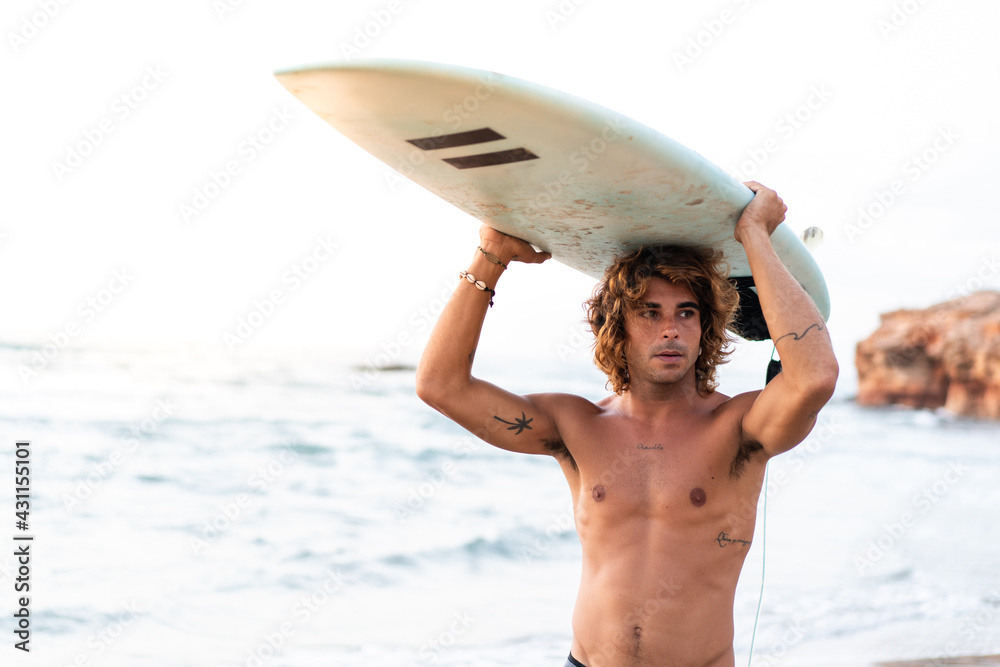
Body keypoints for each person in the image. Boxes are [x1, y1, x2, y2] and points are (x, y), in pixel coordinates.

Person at [415, 182, 838, 667]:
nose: (670, 329)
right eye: (649, 312)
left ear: (706, 329)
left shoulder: (739, 429)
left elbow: (814, 378)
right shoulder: (576, 426)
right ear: (618, 327)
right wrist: (491, 256)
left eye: (687, 312)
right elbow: (440, 385)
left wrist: (755, 235)